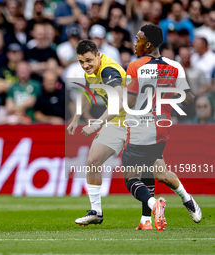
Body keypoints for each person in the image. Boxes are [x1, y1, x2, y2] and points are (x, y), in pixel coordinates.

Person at [66, 39, 162, 230]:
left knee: (156, 174)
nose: (85, 65)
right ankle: (97, 212)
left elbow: (119, 103)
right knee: (93, 161)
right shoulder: (91, 71)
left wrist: (95, 125)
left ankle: (178, 201)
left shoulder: (110, 71)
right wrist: (76, 118)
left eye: (88, 61)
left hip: (134, 122)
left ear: (98, 56)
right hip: (118, 122)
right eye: (81, 62)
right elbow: (87, 94)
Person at [122, 24, 202, 231]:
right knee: (156, 172)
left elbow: (130, 103)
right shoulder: (175, 66)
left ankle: (154, 204)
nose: (134, 42)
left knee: (130, 177)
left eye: (138, 39)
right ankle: (151, 217)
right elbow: (188, 101)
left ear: (147, 44)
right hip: (161, 128)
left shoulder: (135, 66)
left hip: (141, 126)